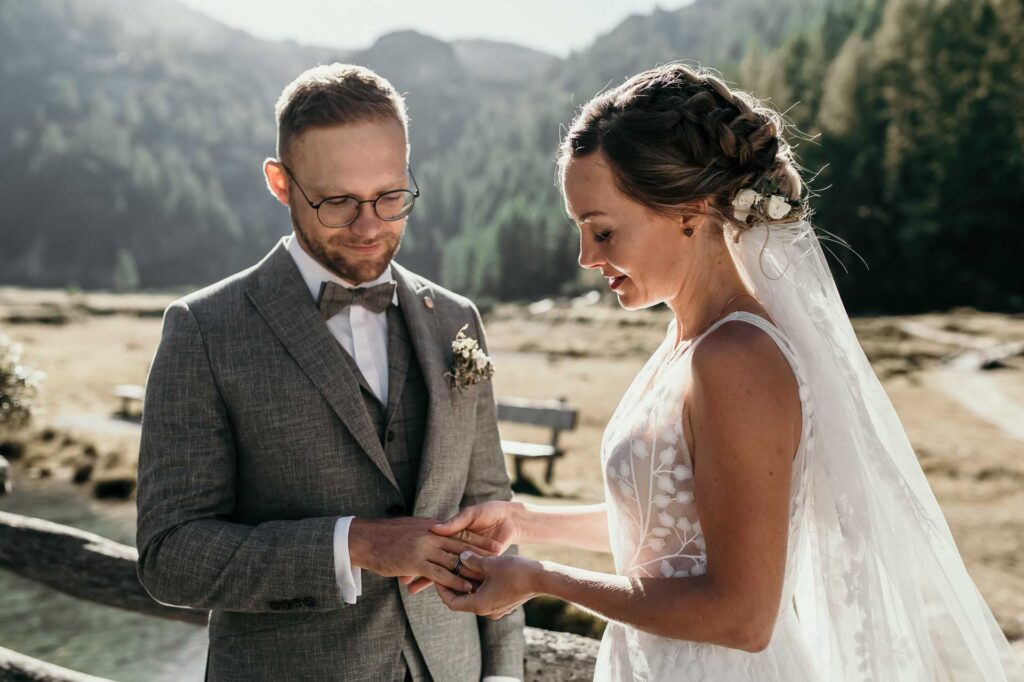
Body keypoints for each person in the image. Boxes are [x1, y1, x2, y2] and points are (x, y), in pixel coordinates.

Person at [429, 63, 1024, 680]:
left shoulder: (736, 358)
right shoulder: (688, 340)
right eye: (580, 230)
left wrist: (542, 578)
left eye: (602, 230)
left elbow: (742, 615)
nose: (586, 257)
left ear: (688, 209)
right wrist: (527, 521)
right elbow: (672, 531)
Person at [135, 63, 524, 682]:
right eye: (338, 201)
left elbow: (492, 512)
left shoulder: (456, 318)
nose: (370, 226)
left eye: (391, 196)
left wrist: (502, 672)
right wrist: (355, 543)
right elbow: (169, 557)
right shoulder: (204, 330)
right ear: (281, 183)